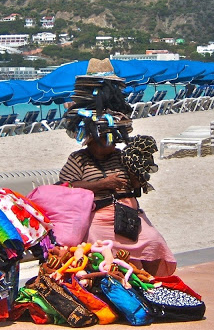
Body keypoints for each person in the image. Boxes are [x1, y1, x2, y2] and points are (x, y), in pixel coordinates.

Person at [58, 57, 176, 277]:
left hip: (129, 215)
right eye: (105, 140)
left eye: (113, 140)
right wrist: (104, 184)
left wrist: (134, 171)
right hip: (99, 217)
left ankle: (155, 285)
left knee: (153, 241)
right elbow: (65, 186)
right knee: (96, 241)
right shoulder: (79, 158)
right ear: (92, 139)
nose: (111, 144)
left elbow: (136, 186)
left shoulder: (122, 156)